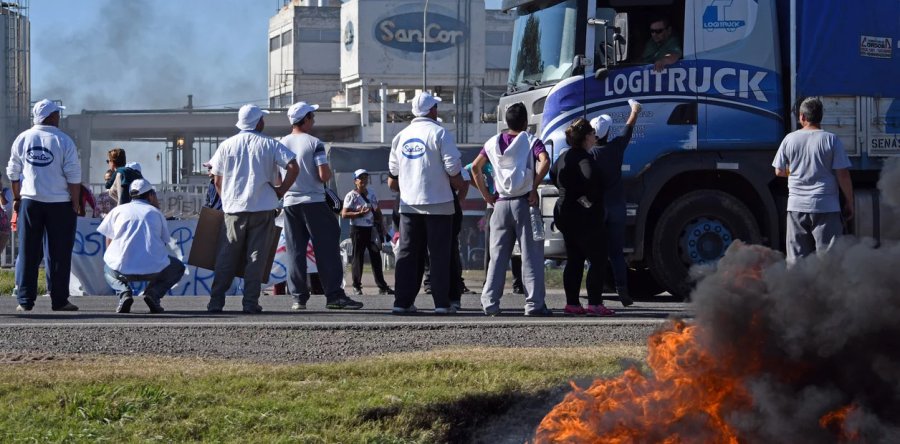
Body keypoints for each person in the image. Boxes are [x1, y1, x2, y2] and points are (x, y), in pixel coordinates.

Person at [206, 104, 300, 314]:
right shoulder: (270, 144)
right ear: (258, 122)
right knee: (256, 258)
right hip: (263, 208)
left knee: (226, 256)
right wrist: (280, 191)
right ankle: (250, 302)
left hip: (233, 210)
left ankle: (216, 302)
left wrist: (226, 198)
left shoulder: (227, 145)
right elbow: (293, 166)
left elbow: (216, 178)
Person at [388, 92, 466, 314]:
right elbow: (453, 168)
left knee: (407, 253)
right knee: (439, 255)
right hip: (439, 202)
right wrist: (460, 186)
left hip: (409, 204)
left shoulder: (401, 136)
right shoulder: (440, 133)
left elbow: (393, 173)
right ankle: (441, 303)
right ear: (432, 110)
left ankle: (402, 302)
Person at [281, 101, 363, 311]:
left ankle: (298, 298)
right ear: (305, 119)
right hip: (314, 202)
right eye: (312, 116)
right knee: (326, 250)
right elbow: (323, 175)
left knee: (295, 251)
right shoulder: (314, 143)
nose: (314, 120)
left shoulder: (281, 142)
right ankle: (334, 295)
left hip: (290, 203)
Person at [472, 102, 552, 316]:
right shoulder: (530, 140)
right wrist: (534, 186)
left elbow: (475, 167)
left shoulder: (492, 143)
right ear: (526, 122)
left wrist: (486, 195)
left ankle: (490, 302)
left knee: (497, 257)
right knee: (531, 255)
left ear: (506, 122)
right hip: (524, 202)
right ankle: (534, 304)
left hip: (499, 204)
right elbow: (545, 161)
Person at [7, 99, 82, 312]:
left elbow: (13, 171)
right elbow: (73, 175)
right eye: (57, 113)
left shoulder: (23, 138)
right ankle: (59, 300)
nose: (59, 116)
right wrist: (75, 202)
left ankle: (24, 301)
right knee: (59, 252)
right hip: (59, 204)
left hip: (30, 201)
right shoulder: (64, 140)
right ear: (51, 116)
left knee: (28, 251)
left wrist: (17, 198)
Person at [773, 97, 854, 262]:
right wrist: (850, 202)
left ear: (802, 117)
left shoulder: (789, 139)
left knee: (797, 262)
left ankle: (796, 288)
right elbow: (843, 175)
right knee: (828, 263)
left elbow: (779, 171)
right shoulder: (831, 140)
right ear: (821, 117)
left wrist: (796, 171)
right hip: (826, 207)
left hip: (796, 207)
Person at [549, 118, 616, 316]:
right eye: (592, 134)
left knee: (575, 259)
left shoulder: (564, 156)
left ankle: (572, 303)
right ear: (587, 137)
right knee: (597, 258)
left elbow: (553, 175)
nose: (595, 137)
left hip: (564, 213)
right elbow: (592, 180)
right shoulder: (584, 159)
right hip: (584, 217)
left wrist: (568, 192)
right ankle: (595, 303)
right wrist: (587, 199)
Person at [97, 179, 186, 313]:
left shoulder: (118, 210)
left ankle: (124, 293)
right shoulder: (156, 213)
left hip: (122, 269)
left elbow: (108, 239)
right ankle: (153, 294)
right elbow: (164, 241)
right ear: (150, 195)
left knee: (107, 267)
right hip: (154, 270)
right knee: (178, 267)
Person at [589, 100, 642, 307]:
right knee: (617, 254)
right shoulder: (616, 148)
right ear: (608, 133)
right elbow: (628, 130)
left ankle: (597, 293)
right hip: (617, 207)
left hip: (598, 209)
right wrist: (635, 111)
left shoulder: (590, 154)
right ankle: (623, 292)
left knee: (595, 254)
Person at [342, 168, 393, 296]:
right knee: (357, 258)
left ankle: (382, 286)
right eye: (361, 178)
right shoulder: (351, 195)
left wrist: (382, 225)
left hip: (371, 229)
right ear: (355, 181)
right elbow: (344, 214)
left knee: (376, 257)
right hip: (357, 230)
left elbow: (377, 210)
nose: (364, 180)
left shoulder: (371, 193)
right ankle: (356, 286)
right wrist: (359, 213)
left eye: (365, 177)